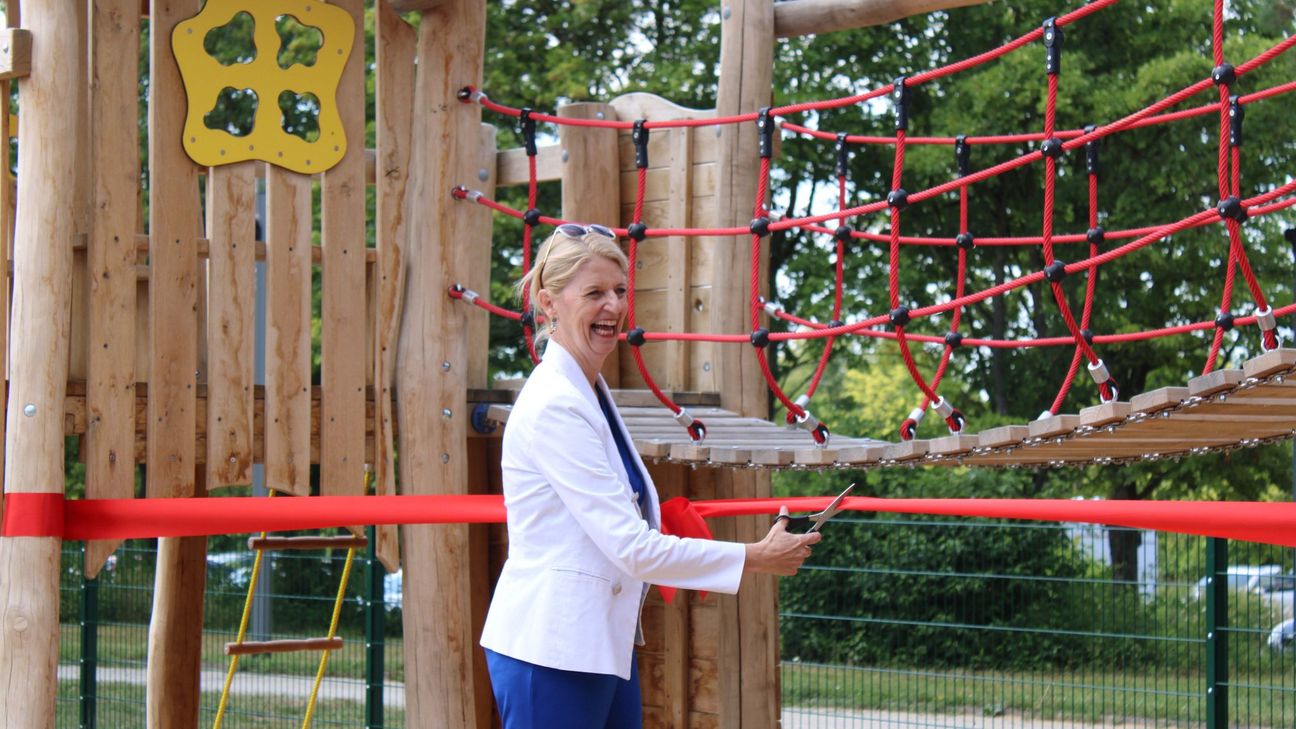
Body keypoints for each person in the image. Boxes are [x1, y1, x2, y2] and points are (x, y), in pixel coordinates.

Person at [479, 223, 822, 729]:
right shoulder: (556, 403)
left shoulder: (587, 389)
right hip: (550, 651)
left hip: (595, 645)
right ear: (548, 304)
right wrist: (756, 558)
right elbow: (633, 548)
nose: (613, 307)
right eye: (594, 293)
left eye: (619, 291)